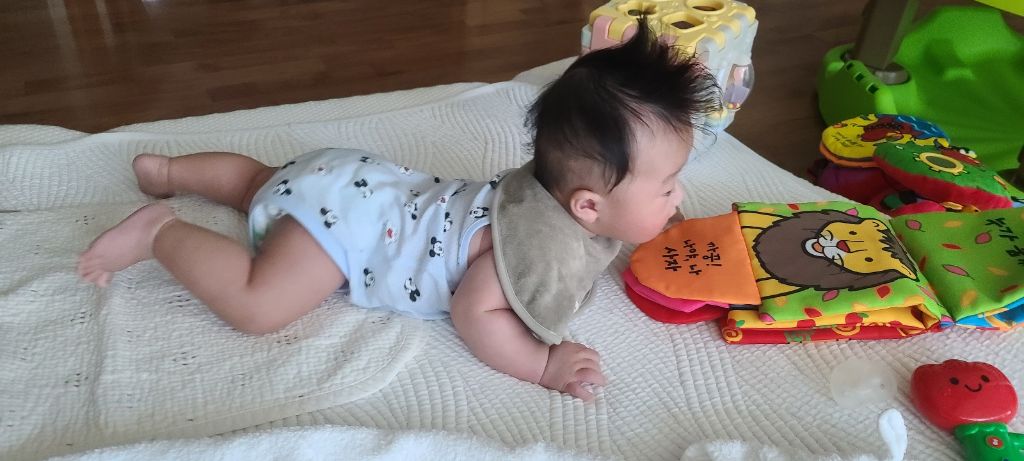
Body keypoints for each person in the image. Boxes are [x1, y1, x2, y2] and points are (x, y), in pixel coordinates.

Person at [77, 20, 721, 401]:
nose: (677, 196)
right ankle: (159, 232)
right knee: (258, 305)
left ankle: (169, 172)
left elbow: (618, 218)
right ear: (587, 205)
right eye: (668, 186)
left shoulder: (545, 192)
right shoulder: (524, 248)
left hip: (356, 178)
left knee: (257, 184)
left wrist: (651, 216)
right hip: (343, 235)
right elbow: (475, 312)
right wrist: (541, 363)